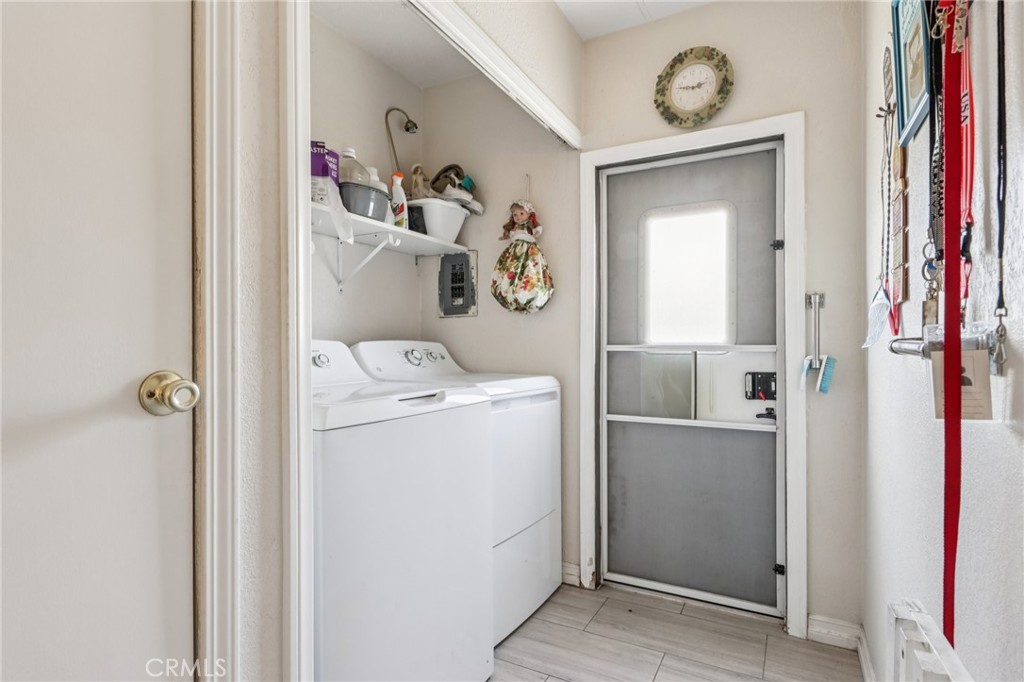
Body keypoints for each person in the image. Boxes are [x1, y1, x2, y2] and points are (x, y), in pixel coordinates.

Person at [491, 200, 554, 314]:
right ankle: (510, 293)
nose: (518, 217)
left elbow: (538, 230)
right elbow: (508, 235)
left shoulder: (529, 227)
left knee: (530, 269)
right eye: (515, 214)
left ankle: (529, 295)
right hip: (514, 251)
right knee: (510, 269)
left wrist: (535, 234)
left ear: (529, 214)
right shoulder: (514, 228)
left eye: (521, 213)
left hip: (529, 250)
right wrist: (504, 237)